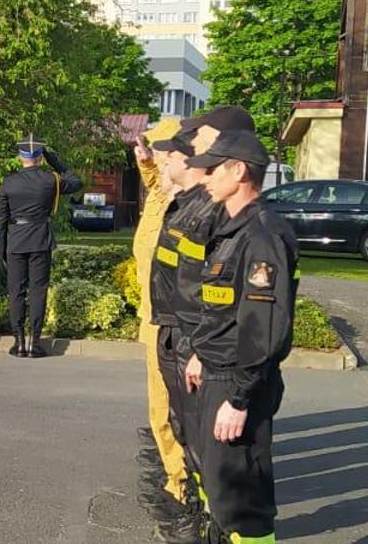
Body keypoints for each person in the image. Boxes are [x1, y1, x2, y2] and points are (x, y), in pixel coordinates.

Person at [182, 130, 298, 544]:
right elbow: (224, 309)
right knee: (221, 486)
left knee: (242, 500)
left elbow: (262, 328)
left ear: (239, 171)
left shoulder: (261, 236)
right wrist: (201, 352)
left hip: (239, 380)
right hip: (219, 372)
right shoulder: (233, 229)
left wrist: (239, 399)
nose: (206, 177)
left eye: (213, 168)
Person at [143, 126, 223, 543]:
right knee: (174, 420)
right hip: (166, 325)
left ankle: (193, 503)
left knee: (192, 429)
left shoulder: (203, 212)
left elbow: (205, 292)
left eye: (168, 154)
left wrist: (199, 345)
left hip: (187, 334)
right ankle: (183, 491)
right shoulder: (175, 201)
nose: (162, 160)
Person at [130, 117, 191, 532]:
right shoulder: (163, 191)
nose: (154, 156)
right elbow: (155, 185)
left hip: (171, 322)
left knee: (170, 408)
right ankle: (174, 476)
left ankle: (181, 487)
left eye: (159, 151)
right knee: (160, 407)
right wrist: (145, 162)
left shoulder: (184, 204)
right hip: (153, 315)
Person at [0, 135, 82, 358]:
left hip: (16, 240)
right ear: (40, 158)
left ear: (20, 157)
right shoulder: (50, 180)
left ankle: (18, 341)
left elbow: (1, 219)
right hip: (40, 239)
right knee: (37, 291)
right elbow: (75, 182)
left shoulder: (8, 182)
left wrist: (1, 248)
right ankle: (34, 342)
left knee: (16, 291)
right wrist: (56, 162)